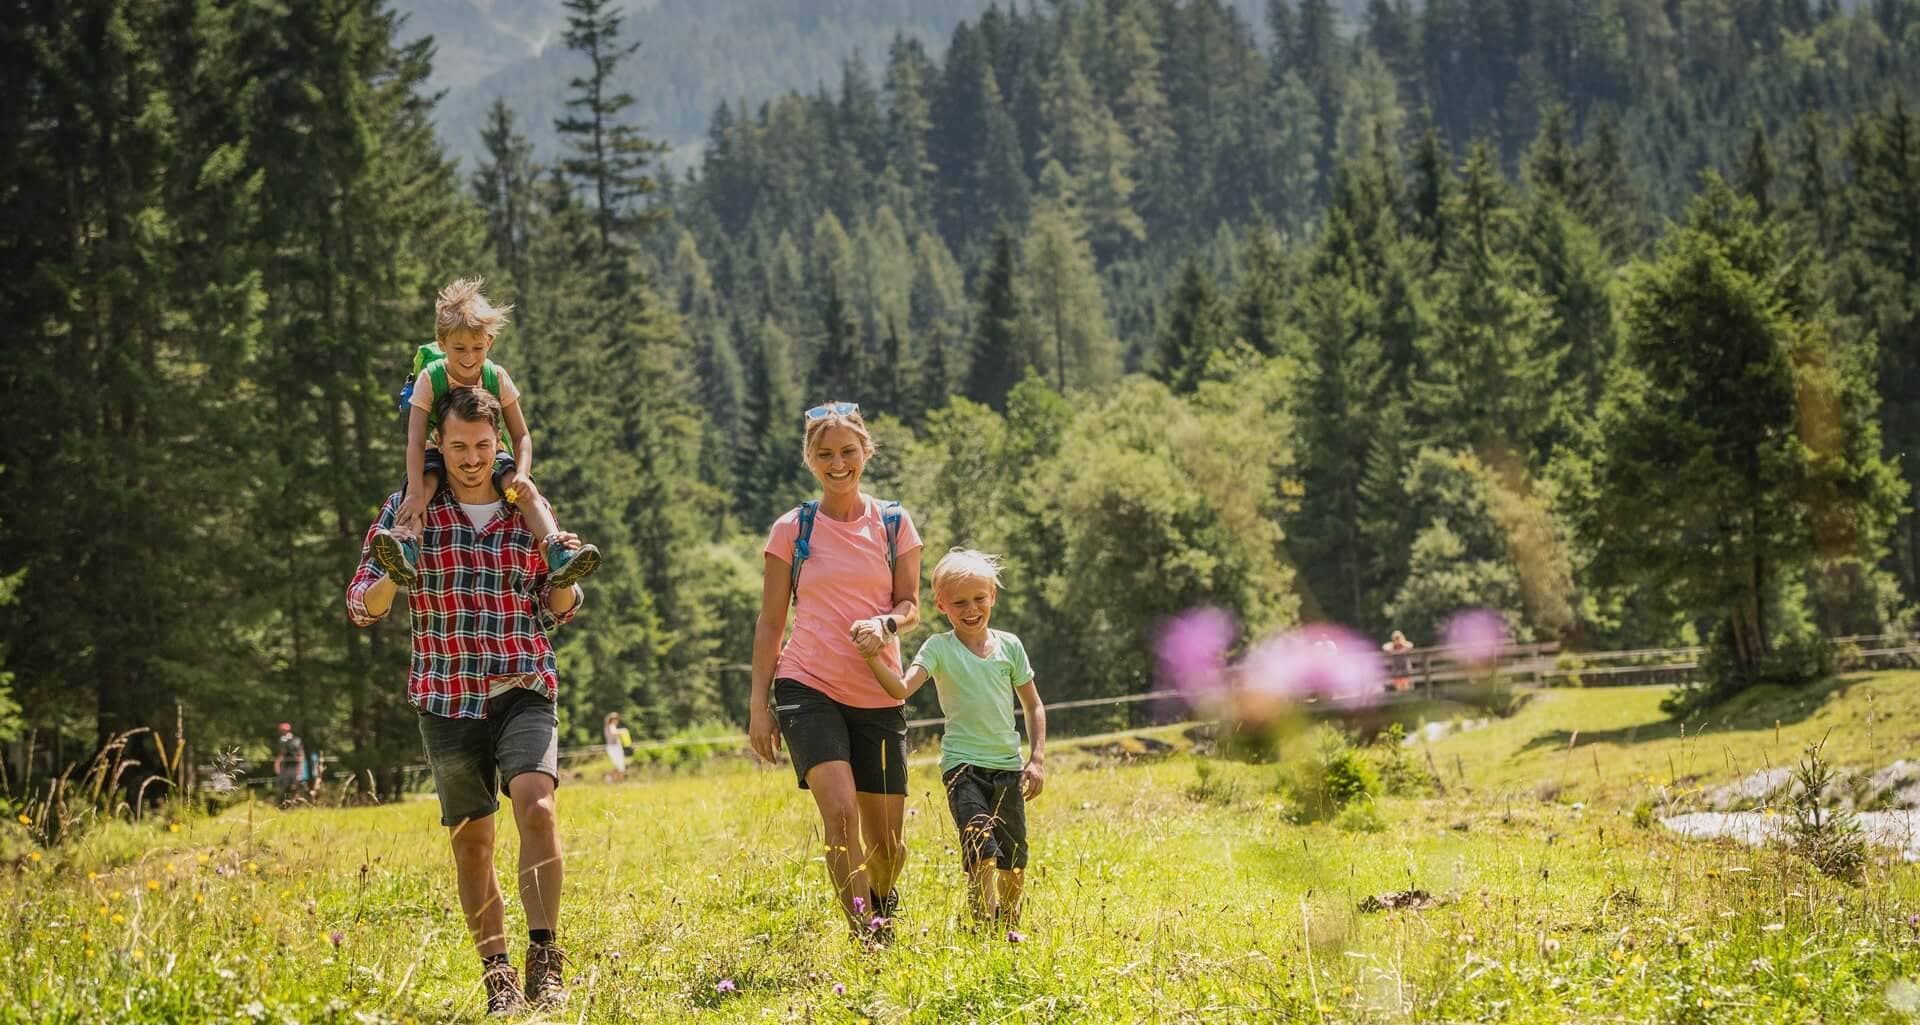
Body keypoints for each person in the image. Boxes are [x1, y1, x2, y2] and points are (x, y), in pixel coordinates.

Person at [346, 386, 586, 1016]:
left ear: (498, 445)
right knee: (473, 841)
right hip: (446, 695)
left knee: (537, 807)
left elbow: (557, 608)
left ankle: (545, 961)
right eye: (458, 446)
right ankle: (498, 975)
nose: (473, 458)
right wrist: (391, 582)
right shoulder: (410, 508)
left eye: (483, 445)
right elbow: (360, 604)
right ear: (438, 445)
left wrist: (561, 583)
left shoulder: (525, 508)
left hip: (522, 682)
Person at [748, 401, 923, 939]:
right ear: (810, 459)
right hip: (807, 685)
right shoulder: (792, 529)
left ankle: (881, 903)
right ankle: (867, 936)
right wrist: (760, 705)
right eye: (825, 454)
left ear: (865, 452)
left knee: (888, 844)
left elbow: (911, 604)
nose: (838, 462)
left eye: (848, 451)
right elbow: (772, 621)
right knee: (841, 815)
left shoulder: (893, 523)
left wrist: (886, 627)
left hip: (878, 690)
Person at [368, 277, 599, 592]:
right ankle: (408, 546)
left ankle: (555, 549)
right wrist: (414, 492)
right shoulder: (430, 379)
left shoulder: (496, 376)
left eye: (477, 347)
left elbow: (521, 436)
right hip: (440, 450)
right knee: (426, 487)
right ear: (442, 342)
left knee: (523, 493)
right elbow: (416, 440)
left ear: (489, 342)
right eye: (459, 348)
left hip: (492, 452)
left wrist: (522, 473)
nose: (468, 357)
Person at [855, 548, 1046, 924]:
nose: (970, 608)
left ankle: (1008, 926)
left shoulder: (1010, 646)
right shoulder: (939, 648)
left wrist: (1036, 759)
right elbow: (901, 689)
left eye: (979, 598)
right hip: (963, 769)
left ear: (992, 596)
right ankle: (981, 929)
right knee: (980, 850)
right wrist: (872, 657)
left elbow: (1034, 705)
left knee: (1013, 860)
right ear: (941, 605)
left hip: (1007, 768)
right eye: (959, 602)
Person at [272, 723, 305, 805]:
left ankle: (293, 804)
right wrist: (277, 765)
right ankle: (283, 804)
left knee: (294, 786)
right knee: (284, 786)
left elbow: (301, 755)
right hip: (285, 767)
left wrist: (300, 767)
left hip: (293, 766)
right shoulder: (282, 741)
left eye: (283, 730)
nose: (281, 732)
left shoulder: (296, 740)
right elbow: (281, 754)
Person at [603, 712, 629, 782]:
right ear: (612, 719)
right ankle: (611, 779)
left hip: (614, 747)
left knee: (620, 767)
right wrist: (623, 731)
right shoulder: (611, 726)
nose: (617, 720)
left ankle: (614, 780)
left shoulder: (609, 726)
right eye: (615, 719)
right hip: (614, 748)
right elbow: (613, 732)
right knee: (620, 766)